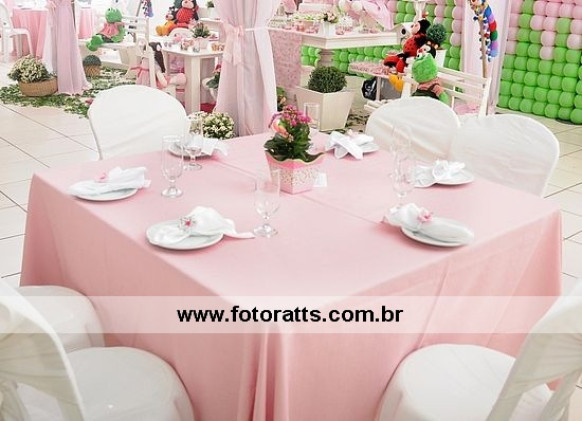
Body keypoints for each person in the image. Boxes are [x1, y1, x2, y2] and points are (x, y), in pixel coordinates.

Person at [43, 0, 91, 95]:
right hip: (59, 13)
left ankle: (65, 80)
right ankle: (55, 78)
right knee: (58, 45)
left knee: (64, 44)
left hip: (64, 14)